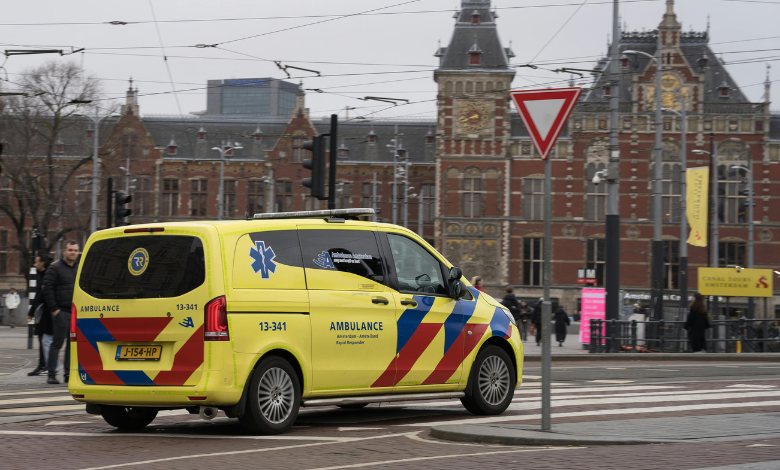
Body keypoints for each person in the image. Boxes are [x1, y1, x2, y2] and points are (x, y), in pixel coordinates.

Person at [44, 240, 80, 385]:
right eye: (70, 250)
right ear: (64, 251)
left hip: (75, 312)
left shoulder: (79, 269)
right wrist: (55, 309)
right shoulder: (55, 268)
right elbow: (47, 289)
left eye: (75, 250)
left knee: (72, 346)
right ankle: (51, 374)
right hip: (61, 312)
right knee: (57, 344)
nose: (73, 253)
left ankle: (68, 374)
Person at [27, 255, 52, 376]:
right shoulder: (40, 276)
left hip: (47, 313)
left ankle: (47, 366)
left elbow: (41, 296)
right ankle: (42, 365)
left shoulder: (47, 276)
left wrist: (31, 312)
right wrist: (32, 312)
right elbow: (37, 296)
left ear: (42, 263)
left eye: (36, 262)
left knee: (45, 340)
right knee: (42, 338)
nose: (34, 265)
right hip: (42, 312)